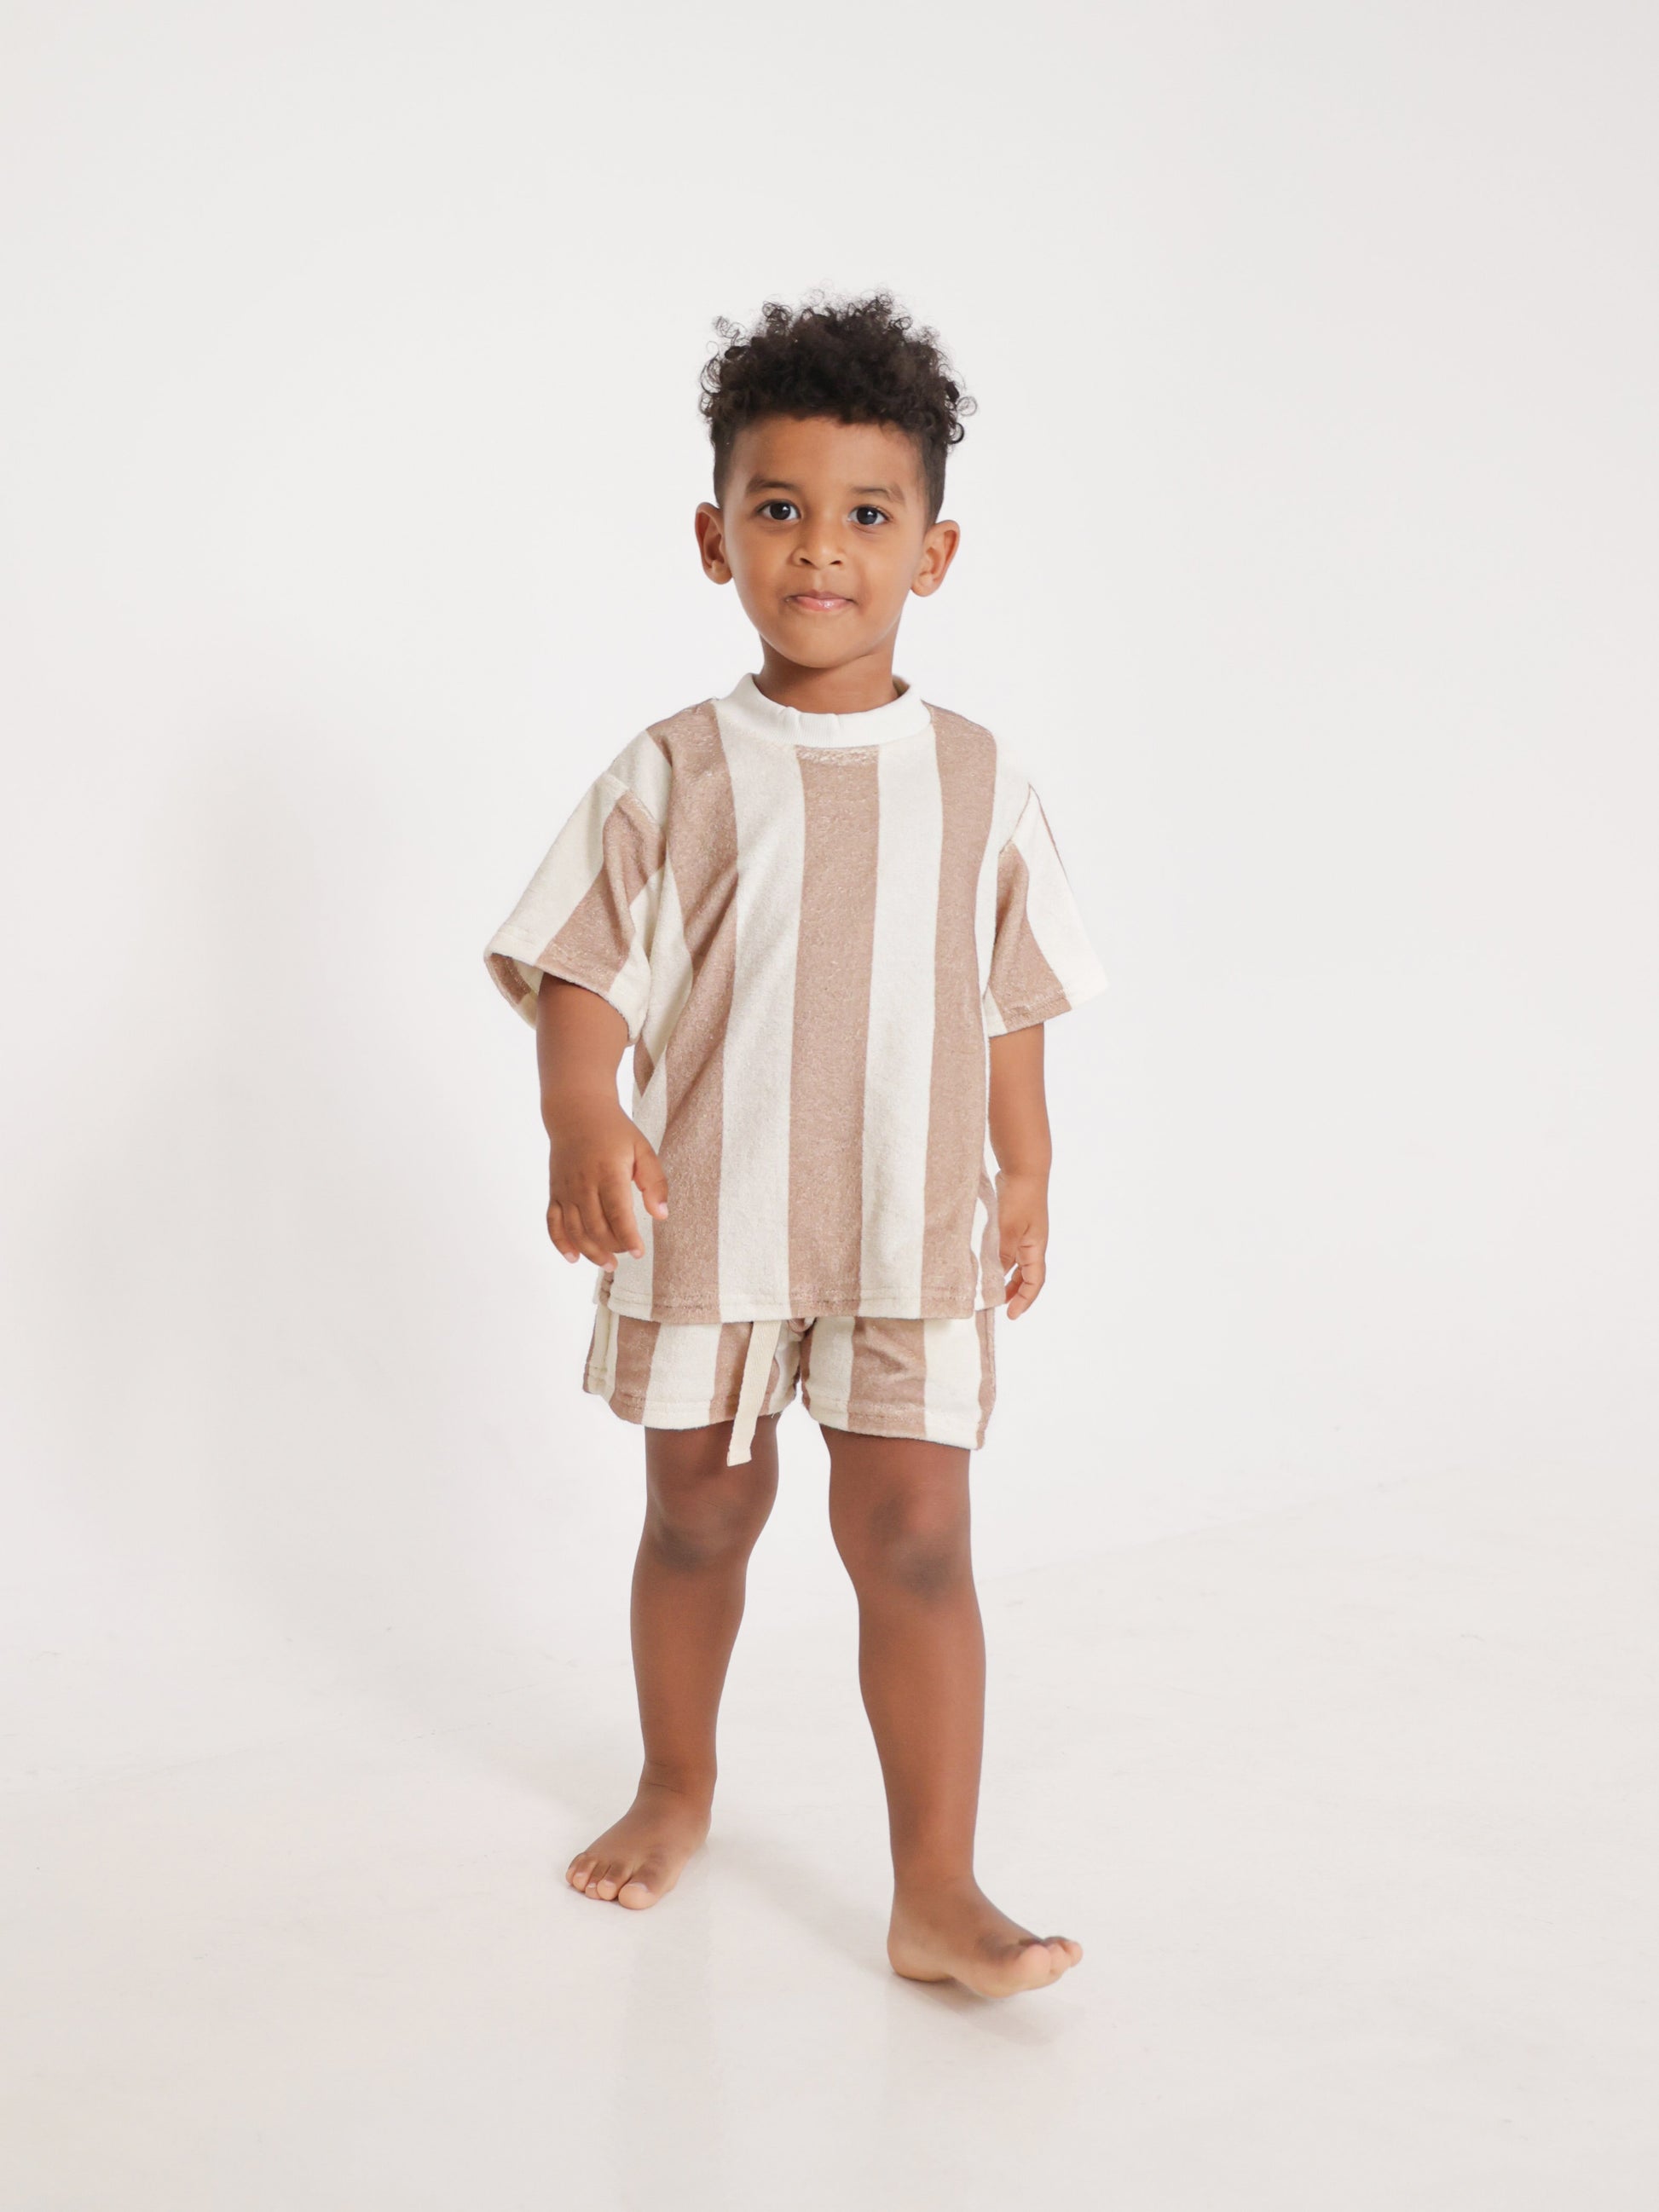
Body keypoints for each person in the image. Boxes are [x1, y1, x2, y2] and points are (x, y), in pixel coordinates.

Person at [484, 293, 1107, 1998]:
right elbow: (578, 965)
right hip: (709, 1218)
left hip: (909, 1230)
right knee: (697, 1513)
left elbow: (1011, 990)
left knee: (916, 1539)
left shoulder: (977, 778)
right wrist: (578, 1107)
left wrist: (1027, 1167)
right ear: (715, 539)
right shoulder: (673, 770)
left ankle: (936, 1890)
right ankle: (674, 1780)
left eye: (865, 514)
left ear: (932, 552)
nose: (821, 547)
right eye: (778, 508)